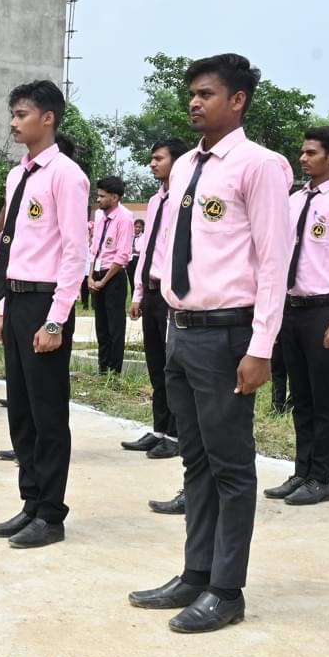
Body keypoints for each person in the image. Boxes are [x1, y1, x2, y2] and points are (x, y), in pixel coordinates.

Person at [126, 53, 290, 634]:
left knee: (230, 465)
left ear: (238, 100)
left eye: (207, 93)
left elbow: (273, 261)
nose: (194, 102)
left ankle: (227, 587)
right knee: (193, 459)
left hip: (228, 332)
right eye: (191, 93)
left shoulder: (260, 166)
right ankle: (195, 573)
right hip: (181, 328)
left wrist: (262, 345)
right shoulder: (187, 169)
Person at [0, 80, 89, 549]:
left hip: (47, 301)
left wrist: (56, 319)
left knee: (47, 412)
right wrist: (5, 307)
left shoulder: (67, 175)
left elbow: (74, 250)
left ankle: (51, 512)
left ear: (47, 118)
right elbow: (14, 248)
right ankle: (30, 501)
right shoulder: (16, 176)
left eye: (22, 113)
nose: (13, 122)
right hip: (19, 299)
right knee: (22, 411)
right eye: (13, 113)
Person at [264, 126, 329, 507]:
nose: (303, 158)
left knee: (324, 400)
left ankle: (320, 477)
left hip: (325, 310)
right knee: (300, 397)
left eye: (311, 153)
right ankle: (301, 470)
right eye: (302, 152)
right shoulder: (292, 201)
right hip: (293, 309)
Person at [127, 138, 190, 476]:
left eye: (158, 158)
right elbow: (147, 248)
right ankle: (159, 429)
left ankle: (177, 434)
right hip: (150, 291)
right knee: (155, 364)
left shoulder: (185, 199)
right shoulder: (154, 201)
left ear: (176, 162)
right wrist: (138, 293)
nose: (152, 164)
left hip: (170, 294)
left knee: (172, 367)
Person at [88, 175, 135, 374]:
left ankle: (114, 369)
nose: (98, 199)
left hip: (113, 276)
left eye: (102, 196)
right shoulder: (99, 216)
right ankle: (102, 365)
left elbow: (122, 254)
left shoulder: (125, 218)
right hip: (97, 273)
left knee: (115, 324)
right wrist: (91, 276)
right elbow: (94, 248)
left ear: (114, 198)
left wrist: (104, 280)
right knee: (101, 324)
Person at [128, 218, 145, 287]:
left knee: (137, 280)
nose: (137, 229)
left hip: (138, 259)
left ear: (142, 228)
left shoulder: (144, 237)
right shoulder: (130, 236)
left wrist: (136, 250)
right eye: (136, 226)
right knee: (131, 280)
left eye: (139, 227)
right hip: (130, 260)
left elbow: (144, 250)